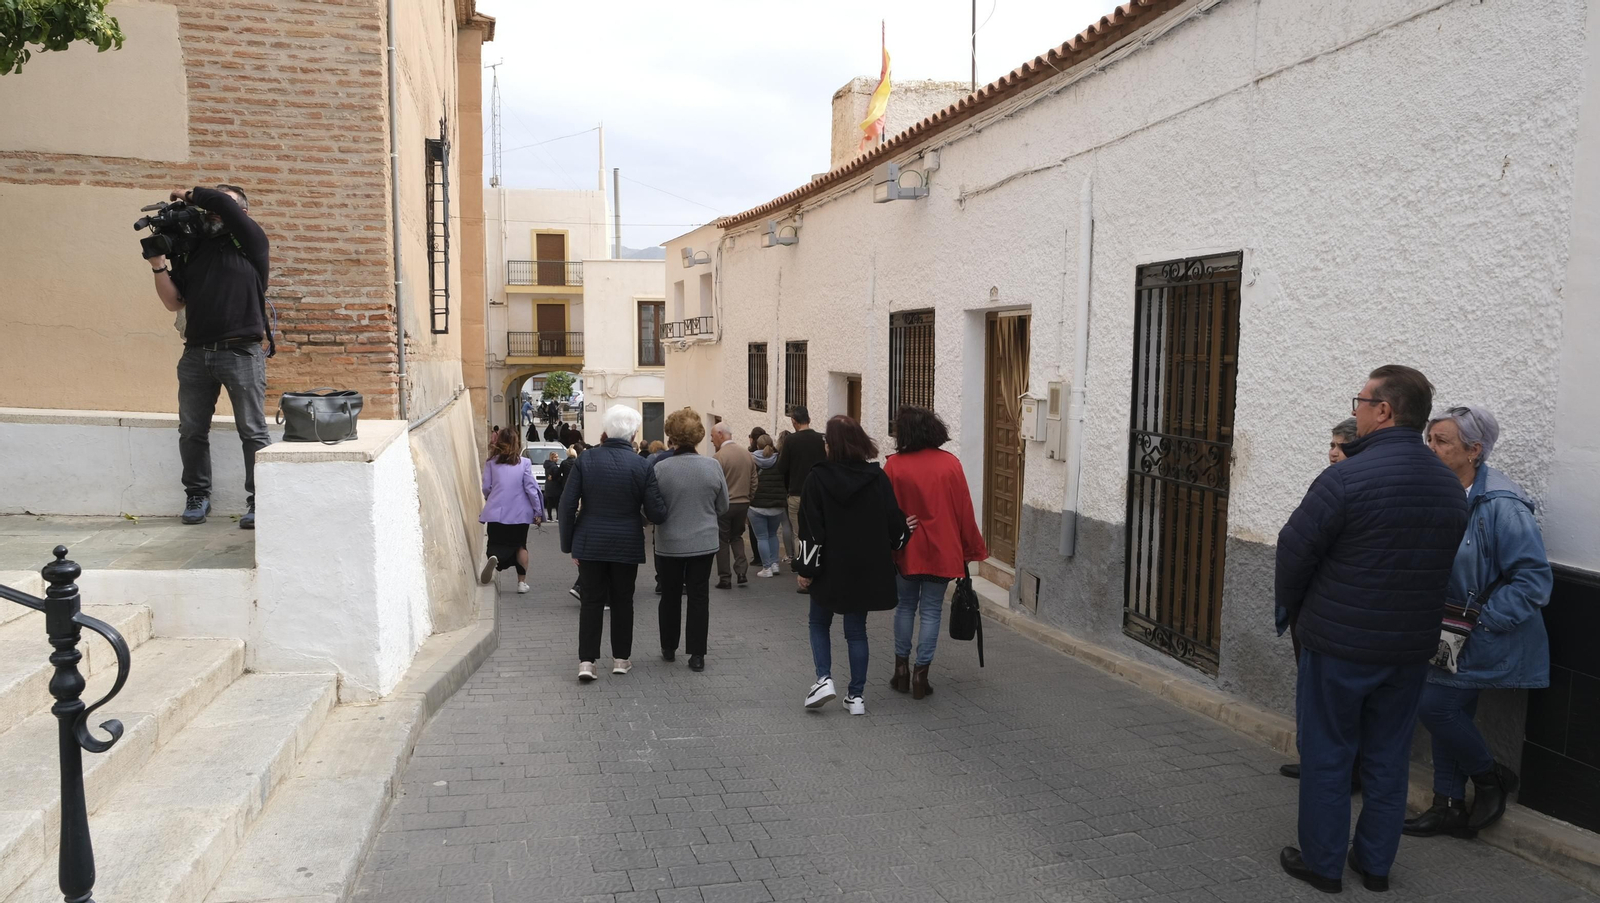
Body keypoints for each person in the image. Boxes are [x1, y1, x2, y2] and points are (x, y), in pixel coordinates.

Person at [1274, 365, 1469, 894]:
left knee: (1328, 753)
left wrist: (1297, 612)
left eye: (1360, 401)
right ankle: (1375, 865)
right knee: (1388, 756)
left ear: (1383, 410)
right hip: (1408, 649)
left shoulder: (1344, 477)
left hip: (1340, 645)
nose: (1356, 411)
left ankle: (1323, 865)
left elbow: (1293, 553)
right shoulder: (1450, 487)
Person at [1404, 406, 1552, 839]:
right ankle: (1447, 806)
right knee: (1452, 709)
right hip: (1444, 631)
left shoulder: (1503, 504)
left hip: (1482, 633)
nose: (1431, 448)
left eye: (1442, 441)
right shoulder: (1437, 490)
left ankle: (1491, 776)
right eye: (1429, 439)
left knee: (1434, 706)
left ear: (1474, 450)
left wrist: (1483, 623)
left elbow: (1533, 580)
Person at [147, 185, 272, 530]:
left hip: (241, 351)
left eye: (223, 207)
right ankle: (197, 495)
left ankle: (260, 500)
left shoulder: (251, 242)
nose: (213, 211)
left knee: (252, 430)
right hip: (196, 354)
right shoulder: (193, 251)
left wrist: (184, 193)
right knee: (191, 430)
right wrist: (158, 266)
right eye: (211, 208)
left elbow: (218, 201)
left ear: (242, 214)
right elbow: (174, 302)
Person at [794, 416, 915, 716]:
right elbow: (893, 524)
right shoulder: (877, 478)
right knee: (857, 631)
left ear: (832, 444)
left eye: (826, 440)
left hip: (828, 567)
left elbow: (810, 529)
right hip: (864, 568)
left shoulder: (817, 478)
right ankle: (856, 696)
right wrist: (904, 532)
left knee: (818, 622)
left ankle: (824, 679)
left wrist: (806, 570)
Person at [1280, 415, 1366, 787]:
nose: (1332, 453)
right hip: (1312, 603)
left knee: (1333, 695)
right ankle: (1316, 759)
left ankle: (1338, 769)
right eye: (1331, 445)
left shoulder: (1347, 487)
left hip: (1329, 608)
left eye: (1341, 446)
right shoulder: (1331, 482)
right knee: (1311, 688)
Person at [883, 406, 988, 700]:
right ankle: (921, 675)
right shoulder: (950, 464)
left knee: (905, 607)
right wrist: (969, 549)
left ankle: (900, 671)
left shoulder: (894, 466)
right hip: (942, 549)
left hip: (906, 548)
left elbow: (885, 511)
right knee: (931, 611)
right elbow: (964, 510)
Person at [559, 406, 667, 681]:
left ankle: (587, 662)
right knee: (622, 601)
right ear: (633, 435)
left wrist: (569, 543)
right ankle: (621, 658)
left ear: (606, 431)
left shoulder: (586, 459)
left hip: (590, 541)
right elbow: (655, 511)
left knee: (591, 602)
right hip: (626, 542)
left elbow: (567, 504)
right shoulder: (642, 465)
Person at [652, 409, 728, 672]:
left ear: (671, 436)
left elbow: (651, 507)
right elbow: (723, 506)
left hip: (669, 543)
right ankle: (697, 654)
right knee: (698, 596)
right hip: (703, 542)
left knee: (670, 595)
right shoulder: (712, 466)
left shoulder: (660, 468)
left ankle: (668, 646)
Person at [478, 428, 545, 594]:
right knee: (520, 546)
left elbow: (486, 487)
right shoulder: (524, 463)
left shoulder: (491, 462)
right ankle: (521, 583)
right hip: (520, 514)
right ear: (516, 443)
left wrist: (491, 497)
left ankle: (495, 557)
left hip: (496, 512)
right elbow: (530, 489)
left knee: (495, 542)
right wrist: (537, 511)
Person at [777, 408, 827, 594]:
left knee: (799, 533)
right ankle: (819, 568)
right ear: (809, 419)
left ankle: (805, 573)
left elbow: (781, 467)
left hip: (797, 492)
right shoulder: (821, 439)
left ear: (793, 421)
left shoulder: (791, 440)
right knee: (819, 531)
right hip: (819, 493)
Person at [711, 423, 757, 589]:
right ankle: (741, 572)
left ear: (720, 434)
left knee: (722, 540)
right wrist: (749, 497)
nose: (711, 440)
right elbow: (754, 480)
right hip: (743, 502)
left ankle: (725, 577)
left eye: (712, 436)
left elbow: (714, 484)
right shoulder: (746, 454)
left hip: (725, 504)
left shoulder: (718, 457)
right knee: (737, 536)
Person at [748, 435, 787, 578]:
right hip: (777, 504)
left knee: (762, 537)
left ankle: (766, 568)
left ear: (757, 445)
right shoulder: (779, 460)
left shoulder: (752, 460)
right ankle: (775, 564)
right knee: (772, 534)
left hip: (757, 505)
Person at [542, 453, 564, 522]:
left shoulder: (547, 465)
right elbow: (557, 476)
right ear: (552, 458)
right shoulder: (554, 467)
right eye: (555, 457)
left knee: (549, 502)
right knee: (557, 502)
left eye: (557, 457)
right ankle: (557, 517)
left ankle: (549, 517)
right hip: (555, 486)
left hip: (548, 485)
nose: (557, 458)